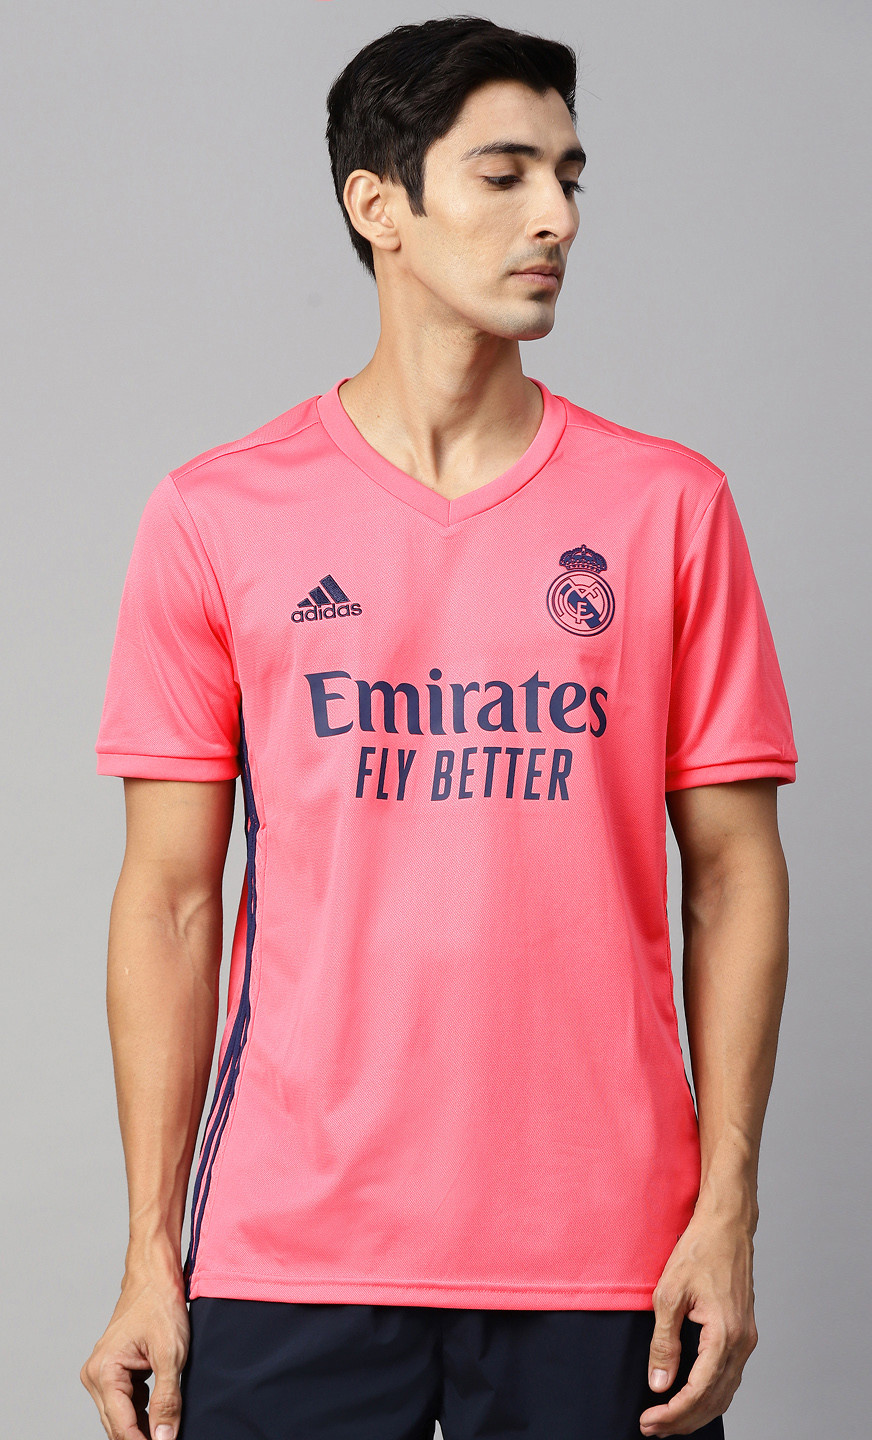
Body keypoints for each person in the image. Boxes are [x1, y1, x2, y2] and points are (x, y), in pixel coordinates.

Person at [80, 15, 797, 1440]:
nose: (558, 218)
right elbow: (170, 901)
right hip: (293, 1248)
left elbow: (732, 875)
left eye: (571, 178)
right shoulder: (217, 514)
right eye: (505, 174)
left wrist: (727, 1214)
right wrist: (152, 1253)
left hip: (609, 1253)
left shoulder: (670, 509)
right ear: (378, 204)